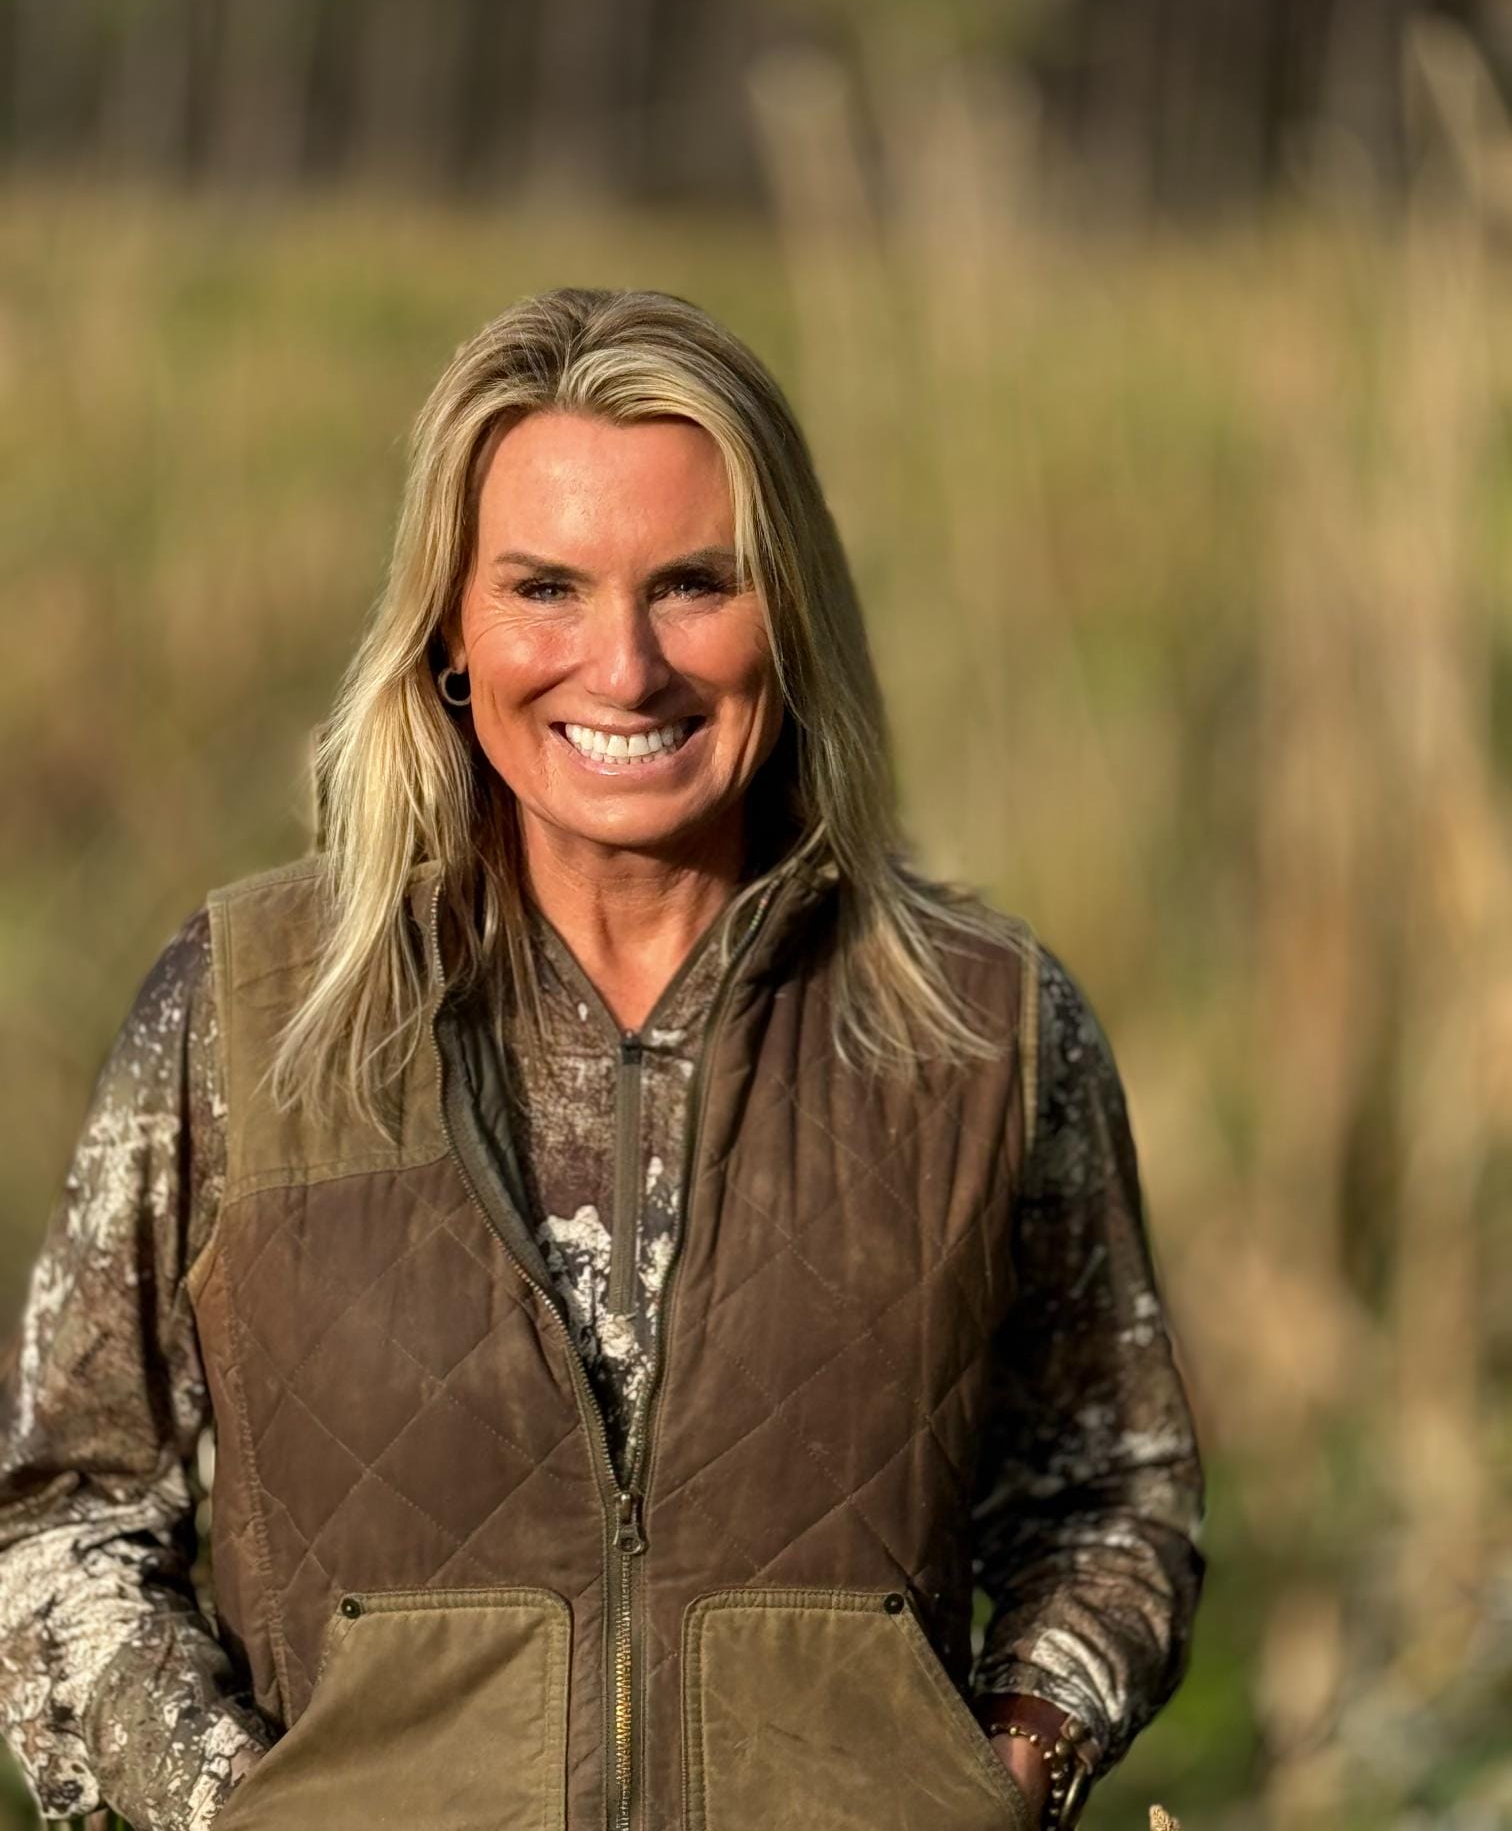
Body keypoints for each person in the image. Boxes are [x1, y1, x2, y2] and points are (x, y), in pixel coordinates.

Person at [0, 287, 1205, 1831]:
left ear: (792, 614)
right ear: (452, 626)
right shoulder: (249, 1014)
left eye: (694, 583)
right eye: (545, 589)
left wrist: (1010, 1766)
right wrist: (241, 1807)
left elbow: (1113, 1490)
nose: (623, 670)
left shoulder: (984, 1027)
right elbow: (66, 1516)